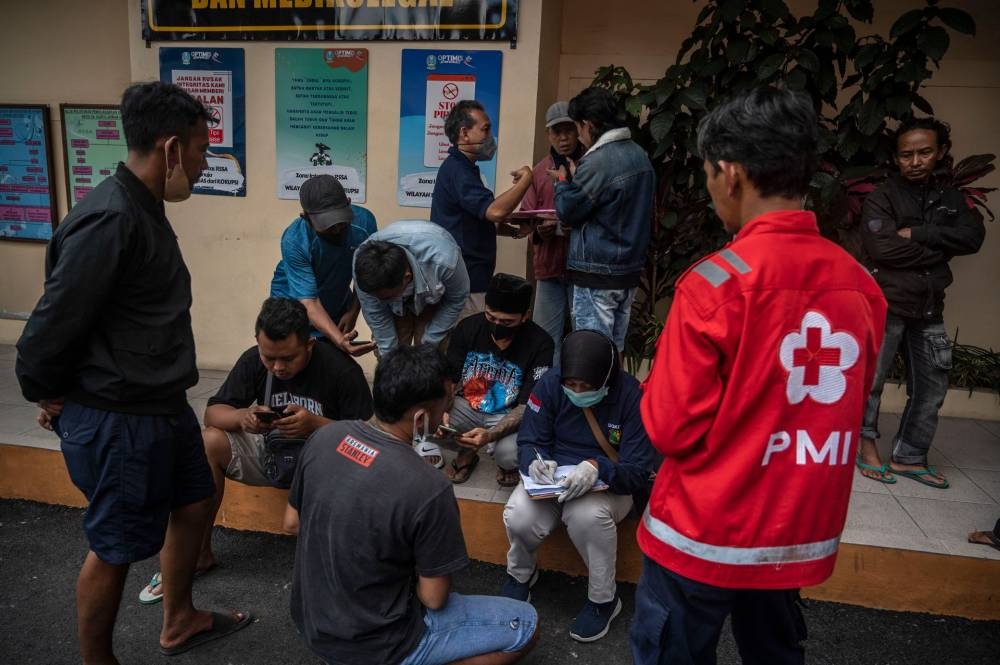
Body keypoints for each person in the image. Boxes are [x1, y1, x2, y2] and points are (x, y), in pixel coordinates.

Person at [632, 87, 887, 665]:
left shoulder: (716, 283)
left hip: (703, 531)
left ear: (731, 173)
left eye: (706, 176)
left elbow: (671, 429)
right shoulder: (860, 284)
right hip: (791, 532)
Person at [14, 81, 251, 661]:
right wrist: (49, 393)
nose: (203, 163)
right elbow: (47, 331)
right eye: (200, 150)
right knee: (116, 545)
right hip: (120, 418)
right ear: (171, 148)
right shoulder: (111, 219)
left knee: (195, 501)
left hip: (162, 407)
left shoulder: (143, 207)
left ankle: (180, 619)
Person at [283, 344, 538, 665]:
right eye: (447, 404)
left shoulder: (324, 436)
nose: (447, 415)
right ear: (420, 418)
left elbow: (292, 523)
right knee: (525, 623)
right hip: (379, 642)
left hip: (312, 623)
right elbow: (432, 599)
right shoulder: (429, 486)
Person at [137, 297, 373, 603]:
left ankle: (342, 572)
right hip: (270, 454)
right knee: (208, 441)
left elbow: (369, 440)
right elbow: (213, 413)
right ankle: (197, 554)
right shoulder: (253, 360)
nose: (278, 367)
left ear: (310, 346)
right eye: (269, 357)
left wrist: (317, 425)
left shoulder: (340, 369)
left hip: (326, 462)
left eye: (288, 358)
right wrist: (243, 418)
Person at [502, 330, 657, 643]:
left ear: (607, 379)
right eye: (571, 385)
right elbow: (530, 438)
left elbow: (638, 472)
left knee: (586, 517)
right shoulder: (550, 384)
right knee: (519, 513)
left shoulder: (632, 397)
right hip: (553, 479)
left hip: (608, 485)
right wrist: (535, 460)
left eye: (586, 387)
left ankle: (604, 600)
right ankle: (521, 573)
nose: (577, 391)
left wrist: (599, 467)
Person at [856, 118, 985, 489]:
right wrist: (940, 250)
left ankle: (909, 457)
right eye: (906, 154)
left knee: (932, 386)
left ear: (940, 152)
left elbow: (972, 237)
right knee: (873, 382)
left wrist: (922, 233)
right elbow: (882, 247)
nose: (915, 161)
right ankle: (867, 449)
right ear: (896, 158)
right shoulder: (882, 196)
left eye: (924, 152)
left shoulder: (950, 198)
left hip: (930, 305)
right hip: (887, 303)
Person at [548, 87, 654, 352]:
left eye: (577, 128)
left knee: (590, 356)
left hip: (597, 273)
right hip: (628, 272)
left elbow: (569, 210)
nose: (578, 136)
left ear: (588, 125)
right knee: (612, 352)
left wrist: (562, 182)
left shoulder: (599, 160)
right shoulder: (639, 155)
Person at [441, 273, 554, 485]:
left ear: (525, 315)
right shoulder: (468, 328)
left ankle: (504, 463)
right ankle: (467, 452)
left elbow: (527, 405)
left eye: (507, 321)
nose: (497, 325)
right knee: (427, 423)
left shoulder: (541, 343)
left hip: (509, 413)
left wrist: (491, 435)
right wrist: (441, 411)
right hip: (467, 405)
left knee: (510, 453)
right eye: (491, 317)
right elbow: (449, 379)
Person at [430, 99, 533, 317]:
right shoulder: (458, 170)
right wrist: (526, 180)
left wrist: (514, 230)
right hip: (465, 280)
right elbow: (495, 211)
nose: (490, 137)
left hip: (472, 278)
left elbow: (474, 220)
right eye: (485, 130)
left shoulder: (465, 169)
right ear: (464, 133)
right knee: (466, 344)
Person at [270, 174, 377, 357]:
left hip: (335, 298)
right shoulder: (295, 240)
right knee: (292, 359)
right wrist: (339, 339)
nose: (336, 229)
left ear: (349, 204)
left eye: (341, 221)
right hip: (292, 302)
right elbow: (309, 302)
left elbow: (366, 274)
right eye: (327, 225)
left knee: (331, 360)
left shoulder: (365, 223)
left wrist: (352, 311)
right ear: (305, 217)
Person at [521, 101, 586, 366]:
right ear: (549, 134)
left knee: (584, 338)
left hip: (585, 269)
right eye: (556, 131)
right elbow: (527, 220)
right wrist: (540, 232)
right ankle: (547, 398)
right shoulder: (538, 172)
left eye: (568, 130)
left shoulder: (591, 166)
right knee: (545, 340)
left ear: (578, 130)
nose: (563, 137)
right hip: (549, 267)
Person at [353, 219, 470, 357]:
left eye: (386, 297)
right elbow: (376, 313)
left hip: (433, 297)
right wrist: (389, 359)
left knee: (431, 355)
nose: (380, 301)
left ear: (406, 278)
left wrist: (430, 342)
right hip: (395, 305)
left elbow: (456, 299)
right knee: (391, 353)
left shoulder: (445, 260)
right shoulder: (363, 264)